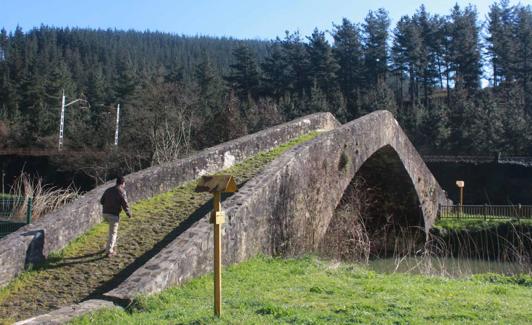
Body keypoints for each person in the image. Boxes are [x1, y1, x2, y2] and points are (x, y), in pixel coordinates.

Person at [100, 176, 132, 257]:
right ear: (123, 183)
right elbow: (125, 204)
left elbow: (101, 201)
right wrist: (128, 213)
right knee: (113, 233)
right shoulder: (122, 191)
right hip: (113, 215)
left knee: (111, 232)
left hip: (105, 213)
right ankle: (109, 251)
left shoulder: (108, 190)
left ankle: (109, 246)